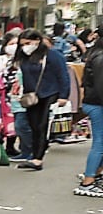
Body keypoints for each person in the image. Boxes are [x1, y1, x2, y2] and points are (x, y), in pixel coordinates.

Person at [15, 28, 70, 170]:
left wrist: (64, 96)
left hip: (49, 94)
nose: (25, 47)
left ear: (37, 41)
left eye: (28, 43)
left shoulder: (52, 55)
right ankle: (35, 155)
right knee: (33, 126)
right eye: (22, 44)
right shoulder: (24, 57)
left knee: (42, 126)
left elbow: (63, 75)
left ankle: (38, 159)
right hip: (31, 96)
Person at [74, 39, 103, 196]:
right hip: (97, 104)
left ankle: (95, 174)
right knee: (100, 143)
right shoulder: (100, 58)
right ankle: (88, 181)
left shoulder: (96, 55)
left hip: (94, 103)